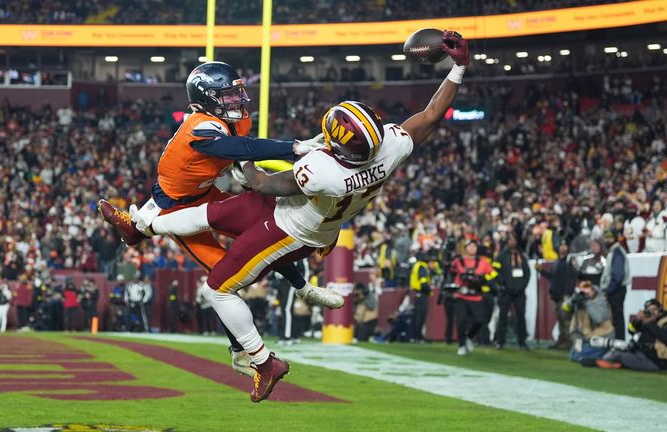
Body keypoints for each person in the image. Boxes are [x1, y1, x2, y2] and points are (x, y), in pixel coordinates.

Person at [141, 30, 470, 401]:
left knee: (217, 289)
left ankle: (263, 361)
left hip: (291, 230)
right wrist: (457, 68)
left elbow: (261, 184)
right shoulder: (389, 148)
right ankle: (144, 224)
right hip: (316, 219)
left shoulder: (322, 171)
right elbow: (430, 115)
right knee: (209, 213)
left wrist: (241, 157)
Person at [98, 61, 335, 376]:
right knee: (224, 281)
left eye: (236, 93)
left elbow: (243, 152)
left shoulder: (235, 120)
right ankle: (241, 353)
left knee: (266, 230)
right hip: (178, 208)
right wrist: (292, 148)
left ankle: (301, 286)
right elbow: (241, 146)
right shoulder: (201, 125)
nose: (236, 101)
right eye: (226, 96)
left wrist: (248, 170)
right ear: (206, 99)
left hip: (207, 194)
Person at [450, 239, 498, 355]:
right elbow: (450, 273)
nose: (472, 248)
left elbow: (493, 276)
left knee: (480, 320)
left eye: (474, 246)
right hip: (461, 294)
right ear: (465, 248)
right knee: (461, 320)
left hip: (476, 295)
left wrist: (483, 280)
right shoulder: (458, 261)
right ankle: (461, 345)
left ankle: (469, 337)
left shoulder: (483, 262)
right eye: (469, 246)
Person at [594, 299, 667, 371]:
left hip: (656, 362)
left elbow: (664, 337)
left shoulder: (663, 321)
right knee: (616, 350)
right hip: (642, 354)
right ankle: (602, 362)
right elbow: (631, 331)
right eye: (648, 310)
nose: (652, 312)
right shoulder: (648, 320)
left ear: (660, 310)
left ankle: (595, 363)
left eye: (654, 309)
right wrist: (637, 320)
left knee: (618, 355)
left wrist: (650, 323)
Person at [536, 241, 577, 349]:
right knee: (560, 319)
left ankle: (568, 342)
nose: (562, 247)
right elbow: (552, 276)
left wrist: (568, 294)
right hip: (556, 296)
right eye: (561, 245)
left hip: (564, 296)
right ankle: (562, 339)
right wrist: (541, 271)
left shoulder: (569, 262)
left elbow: (571, 279)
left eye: (564, 245)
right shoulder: (557, 262)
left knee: (566, 319)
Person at [493, 234, 531, 350]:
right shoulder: (501, 257)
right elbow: (494, 272)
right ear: (507, 242)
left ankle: (522, 342)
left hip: (519, 292)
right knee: (503, 316)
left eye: (514, 239)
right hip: (506, 292)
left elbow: (527, 273)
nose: (513, 241)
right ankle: (500, 341)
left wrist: (522, 286)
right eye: (510, 239)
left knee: (521, 317)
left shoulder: (522, 256)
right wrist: (503, 284)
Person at [564, 280, 614, 363]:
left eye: (588, 291)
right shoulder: (579, 302)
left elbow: (599, 319)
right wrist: (573, 300)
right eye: (583, 292)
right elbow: (565, 308)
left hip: (602, 337)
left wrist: (587, 303)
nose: (585, 295)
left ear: (593, 290)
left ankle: (606, 354)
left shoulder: (601, 301)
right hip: (587, 338)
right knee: (573, 355)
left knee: (578, 356)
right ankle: (599, 355)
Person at [601, 230, 630, 340]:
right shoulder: (614, 251)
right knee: (616, 317)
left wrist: (609, 290)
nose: (607, 240)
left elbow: (618, 275)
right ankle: (617, 341)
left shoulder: (617, 252)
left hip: (616, 290)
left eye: (610, 238)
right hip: (616, 289)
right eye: (606, 237)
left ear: (615, 238)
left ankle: (619, 342)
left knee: (617, 317)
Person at [409, 250, 434, 343]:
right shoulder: (422, 267)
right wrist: (429, 291)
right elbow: (423, 282)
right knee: (420, 316)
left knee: (415, 316)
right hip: (421, 294)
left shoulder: (415, 265)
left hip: (416, 293)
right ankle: (418, 337)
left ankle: (414, 336)